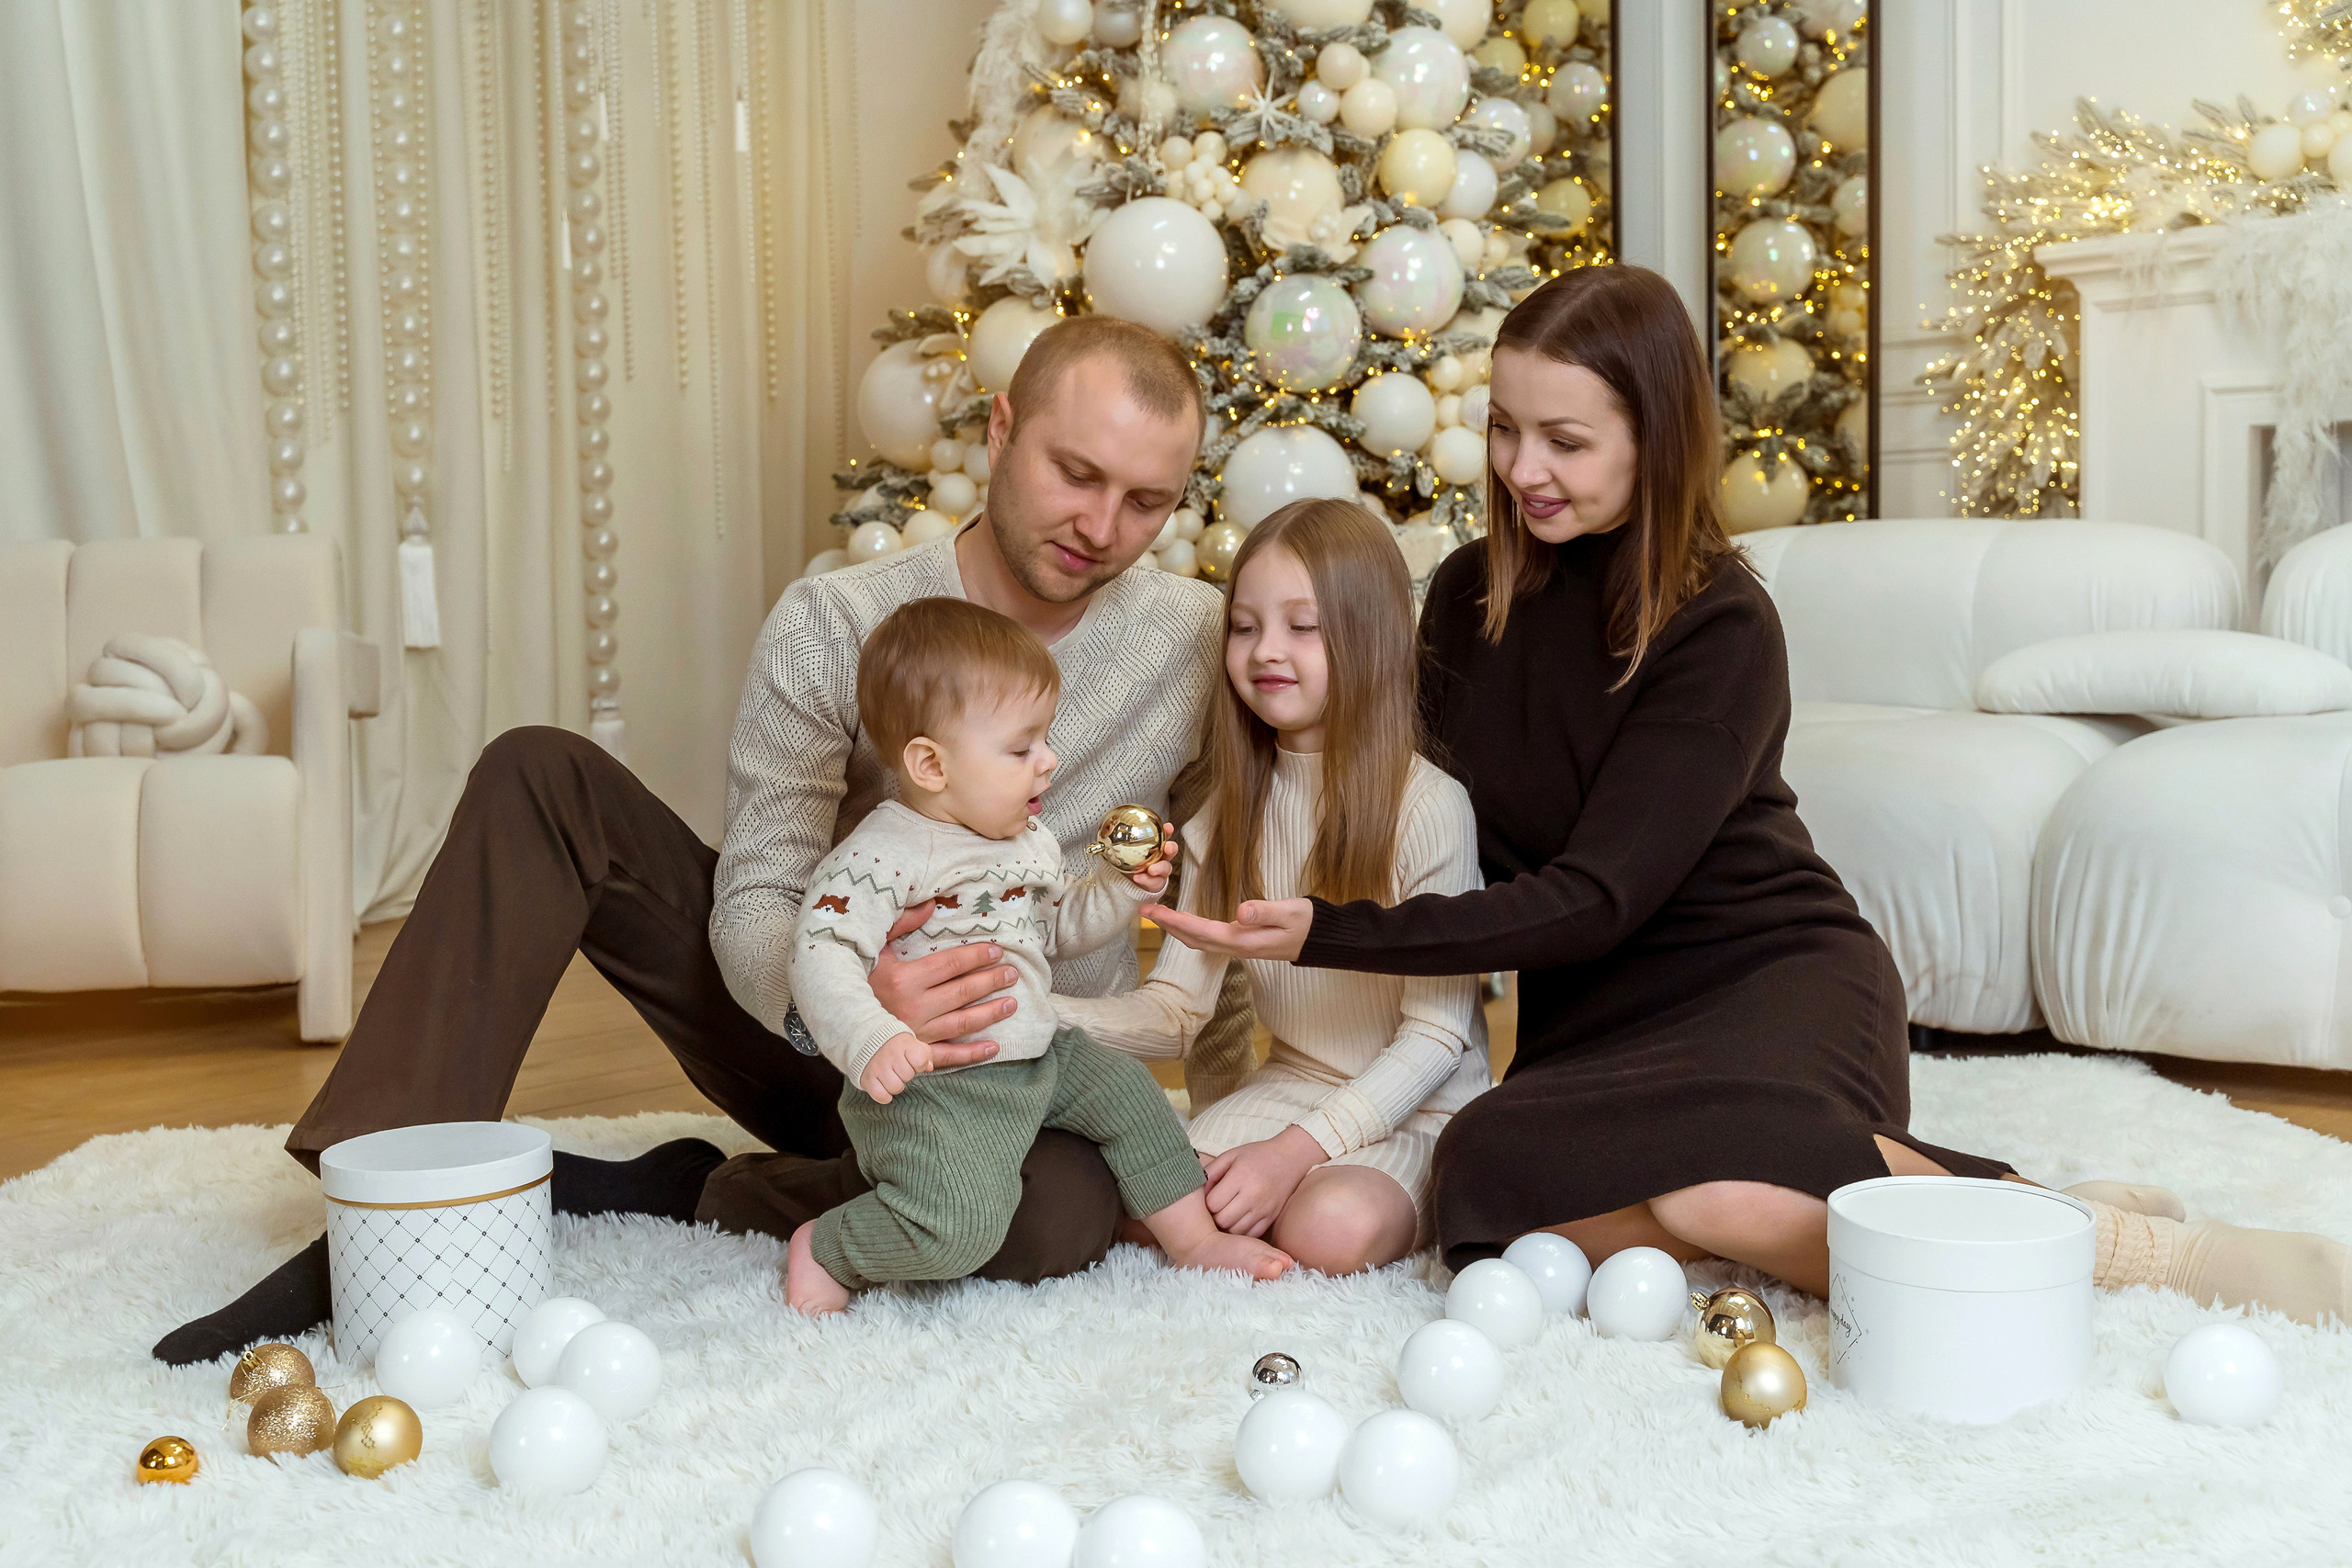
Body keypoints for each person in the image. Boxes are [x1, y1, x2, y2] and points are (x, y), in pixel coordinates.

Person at [1147, 264, 2352, 1325]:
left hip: (1766, 976)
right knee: (1481, 1173)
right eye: (1504, 429)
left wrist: (1332, 929)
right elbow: (1391, 789)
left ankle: (2139, 1253)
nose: (1521, 469)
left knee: (1721, 1187)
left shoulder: (1721, 621)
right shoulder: (1466, 598)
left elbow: (1599, 897)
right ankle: (1982, 1214)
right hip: (1593, 1025)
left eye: (1565, 440)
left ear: (1655, 438)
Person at [154, 315, 1257, 1365]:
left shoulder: (1198, 642)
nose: (1101, 527)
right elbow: (763, 887)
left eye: (1145, 502)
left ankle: (689, 1188)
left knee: (1054, 1221)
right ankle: (385, 1208)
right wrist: (849, 1004)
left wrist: (1229, 1123)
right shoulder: (835, 620)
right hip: (809, 1033)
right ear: (1002, 428)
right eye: (1076, 474)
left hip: (1014, 1072)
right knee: (542, 773)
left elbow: (1236, 894)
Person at [782, 597, 1289, 1313]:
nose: (1049, 762)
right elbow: (820, 953)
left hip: (1039, 1052)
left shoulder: (1024, 841)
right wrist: (872, 1037)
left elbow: (1053, 929)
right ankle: (828, 1245)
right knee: (959, 1228)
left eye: (1045, 739)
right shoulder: (881, 857)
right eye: (1022, 749)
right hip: (939, 1081)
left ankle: (1195, 1241)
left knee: (1131, 1094)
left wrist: (1119, 889)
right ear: (930, 764)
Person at [1062, 500, 1487, 1276]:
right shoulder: (1228, 809)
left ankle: (1318, 1195)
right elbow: (1176, 1012)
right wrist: (1036, 1012)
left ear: (1370, 636)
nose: (1266, 651)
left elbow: (1436, 1036)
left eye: (1303, 626)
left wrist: (1291, 1155)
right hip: (1291, 1083)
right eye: (1244, 626)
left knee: (1328, 1227)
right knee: (1133, 1196)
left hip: (1419, 1104)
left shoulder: (1431, 806)